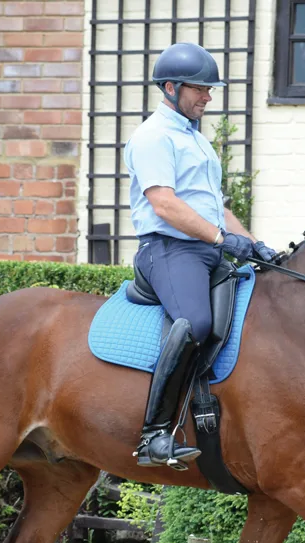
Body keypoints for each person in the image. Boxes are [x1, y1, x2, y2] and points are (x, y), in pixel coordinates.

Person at [124, 42, 277, 470]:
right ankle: (154, 434)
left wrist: (253, 243)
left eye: (210, 90)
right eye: (200, 90)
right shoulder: (153, 136)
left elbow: (216, 208)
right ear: (171, 88)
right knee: (196, 323)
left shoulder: (196, 141)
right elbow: (165, 205)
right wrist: (219, 239)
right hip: (169, 250)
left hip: (206, 248)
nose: (208, 97)